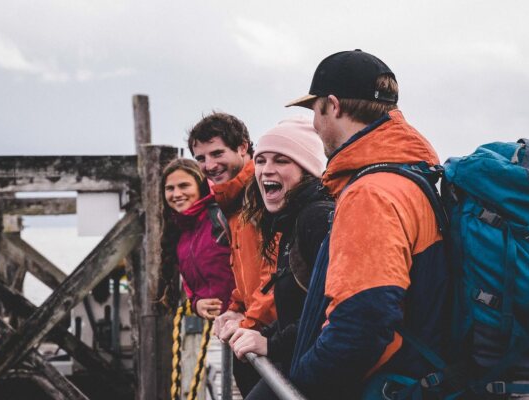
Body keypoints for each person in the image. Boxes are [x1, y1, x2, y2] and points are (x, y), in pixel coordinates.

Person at [286, 50, 449, 399]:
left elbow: (360, 327)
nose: (314, 125)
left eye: (315, 111)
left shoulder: (370, 194)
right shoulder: (411, 176)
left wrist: (302, 382)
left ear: (333, 106)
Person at [228, 117, 333, 399]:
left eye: (281, 160)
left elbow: (331, 311)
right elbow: (298, 308)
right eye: (260, 160)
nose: (266, 170)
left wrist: (271, 344)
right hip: (300, 364)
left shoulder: (316, 218)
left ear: (308, 170)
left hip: (320, 374)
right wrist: (259, 331)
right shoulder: (289, 220)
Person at [187, 112, 277, 395]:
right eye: (201, 158)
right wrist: (234, 308)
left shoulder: (264, 191)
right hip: (253, 330)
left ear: (242, 147)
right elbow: (242, 266)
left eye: (217, 153)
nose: (209, 165)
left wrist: (249, 322)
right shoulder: (232, 200)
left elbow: (274, 270)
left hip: (271, 334)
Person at [158, 158, 235, 319]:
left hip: (249, 320)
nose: (176, 194)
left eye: (184, 186)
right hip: (221, 325)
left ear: (201, 186)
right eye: (170, 188)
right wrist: (197, 304)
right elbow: (192, 288)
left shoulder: (222, 216)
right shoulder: (179, 232)